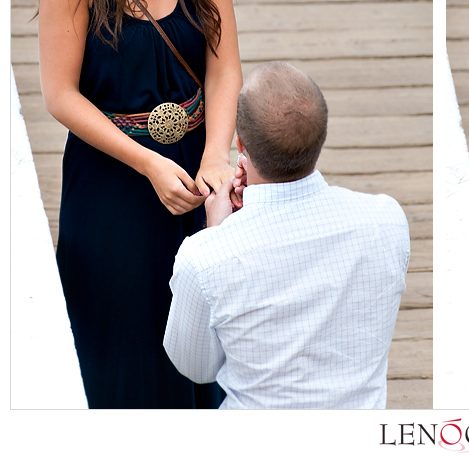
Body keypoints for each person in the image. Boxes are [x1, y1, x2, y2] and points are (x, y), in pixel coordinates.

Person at [35, 0, 242, 408]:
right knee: (122, 340)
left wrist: (215, 153)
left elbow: (223, 65)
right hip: (113, 176)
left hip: (196, 172)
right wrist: (148, 164)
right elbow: (60, 95)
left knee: (200, 337)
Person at [163, 62, 410, 409]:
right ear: (322, 135)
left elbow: (196, 368)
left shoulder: (203, 258)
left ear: (240, 144)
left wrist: (216, 235)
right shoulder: (387, 220)